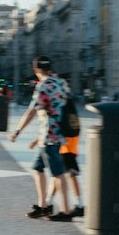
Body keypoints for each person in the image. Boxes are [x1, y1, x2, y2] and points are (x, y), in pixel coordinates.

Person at [7, 56, 74, 222]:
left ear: (36, 70)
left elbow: (32, 111)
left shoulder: (42, 86)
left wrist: (17, 131)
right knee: (37, 169)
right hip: (57, 134)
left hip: (51, 137)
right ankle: (43, 206)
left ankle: (66, 211)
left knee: (58, 174)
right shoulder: (62, 83)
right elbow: (62, 108)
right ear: (50, 68)